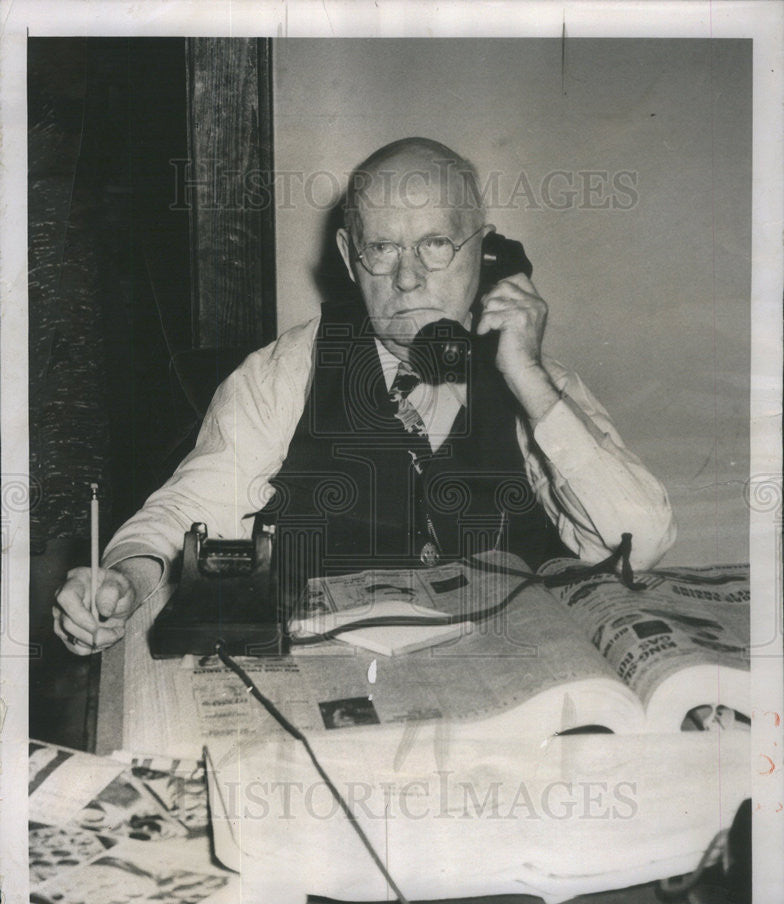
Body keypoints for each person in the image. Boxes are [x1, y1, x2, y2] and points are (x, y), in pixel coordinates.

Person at [53, 137, 675, 654]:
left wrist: (529, 381)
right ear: (351, 259)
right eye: (383, 248)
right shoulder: (283, 372)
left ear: (484, 252)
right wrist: (125, 582)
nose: (408, 278)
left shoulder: (534, 384)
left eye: (435, 244)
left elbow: (639, 543)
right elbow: (183, 511)